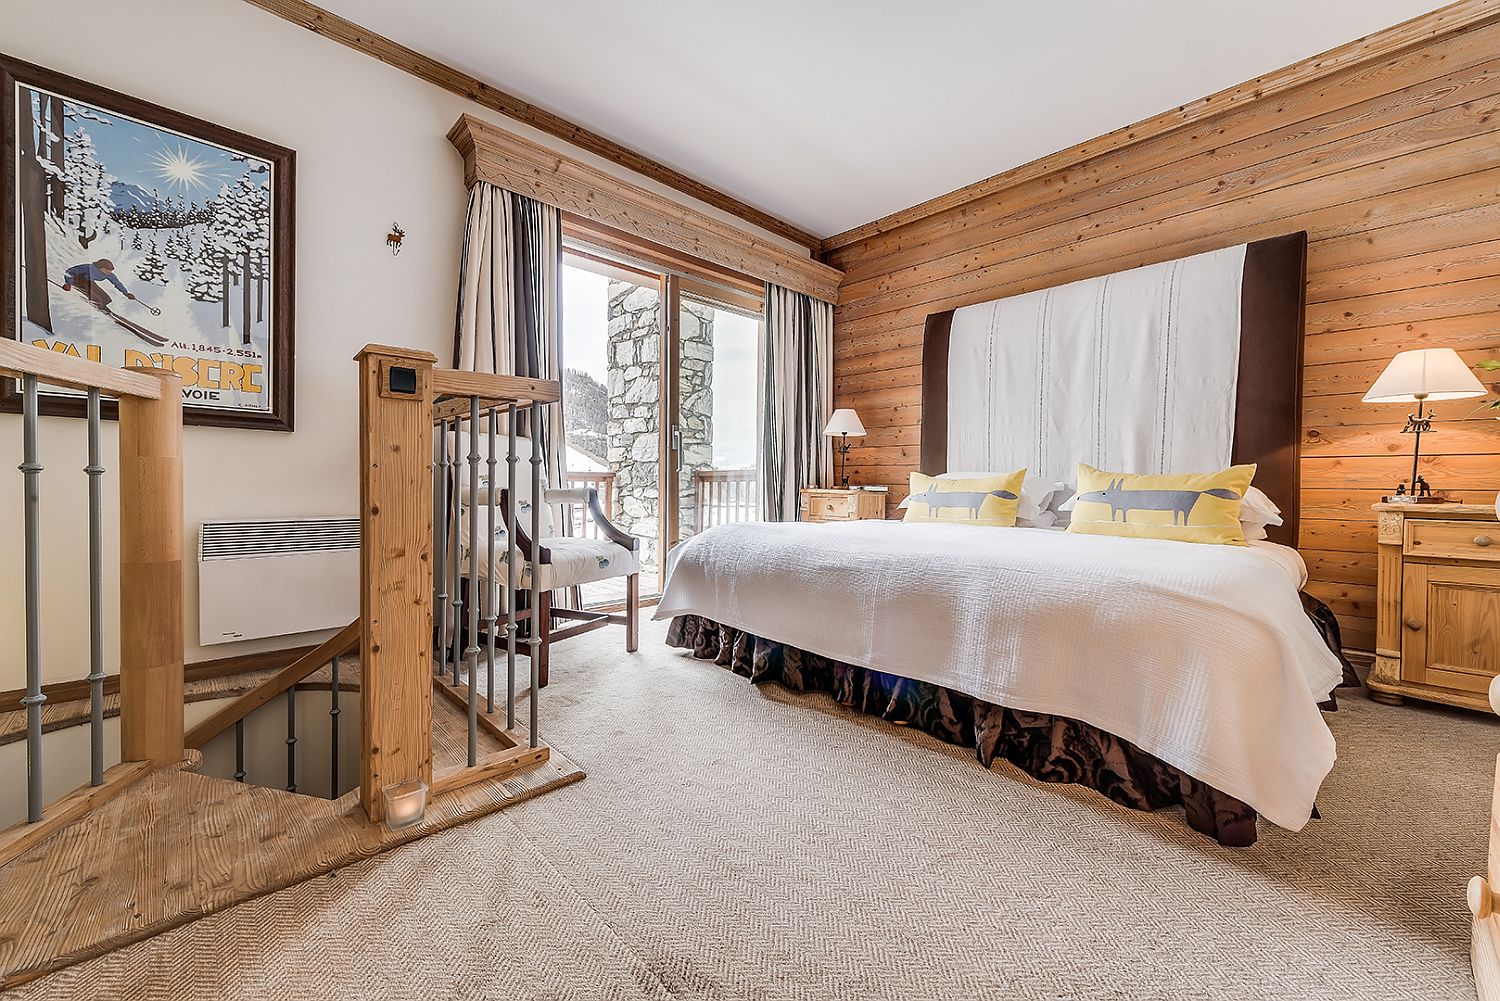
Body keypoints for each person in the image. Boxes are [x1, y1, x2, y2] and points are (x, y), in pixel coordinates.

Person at [61, 259, 136, 310]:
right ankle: (96, 308)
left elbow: (117, 283)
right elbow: (69, 272)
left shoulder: (108, 274)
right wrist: (68, 283)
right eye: (108, 270)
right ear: (102, 268)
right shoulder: (88, 267)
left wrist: (126, 293)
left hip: (89, 281)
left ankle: (102, 307)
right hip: (77, 280)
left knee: (106, 298)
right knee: (96, 298)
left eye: (110, 271)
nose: (109, 272)